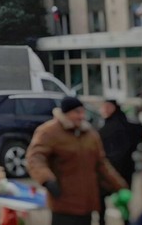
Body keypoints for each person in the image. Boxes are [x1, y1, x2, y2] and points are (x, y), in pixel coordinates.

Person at [27, 96, 127, 225]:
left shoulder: (90, 135)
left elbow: (101, 164)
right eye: (77, 112)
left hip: (86, 205)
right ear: (66, 113)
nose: (81, 116)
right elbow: (35, 157)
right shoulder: (49, 132)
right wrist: (47, 180)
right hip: (63, 203)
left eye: (82, 112)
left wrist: (120, 186)